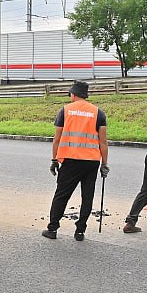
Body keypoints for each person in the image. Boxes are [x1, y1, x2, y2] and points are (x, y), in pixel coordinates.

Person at [41, 81, 108, 242]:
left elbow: (57, 139)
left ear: (73, 94)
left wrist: (54, 160)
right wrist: (104, 164)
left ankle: (53, 228)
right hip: (91, 161)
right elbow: (103, 142)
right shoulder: (98, 113)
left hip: (70, 160)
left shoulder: (65, 111)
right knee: (87, 196)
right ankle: (80, 231)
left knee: (62, 195)